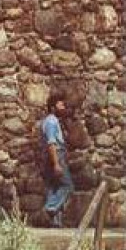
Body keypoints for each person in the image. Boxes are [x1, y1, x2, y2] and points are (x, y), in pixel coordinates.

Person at [38, 91, 74, 228]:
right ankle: (49, 208)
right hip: (55, 156)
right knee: (67, 186)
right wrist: (56, 164)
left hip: (54, 156)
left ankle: (55, 222)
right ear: (53, 107)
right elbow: (51, 143)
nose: (63, 106)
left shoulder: (51, 121)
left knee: (54, 187)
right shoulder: (51, 121)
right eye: (60, 104)